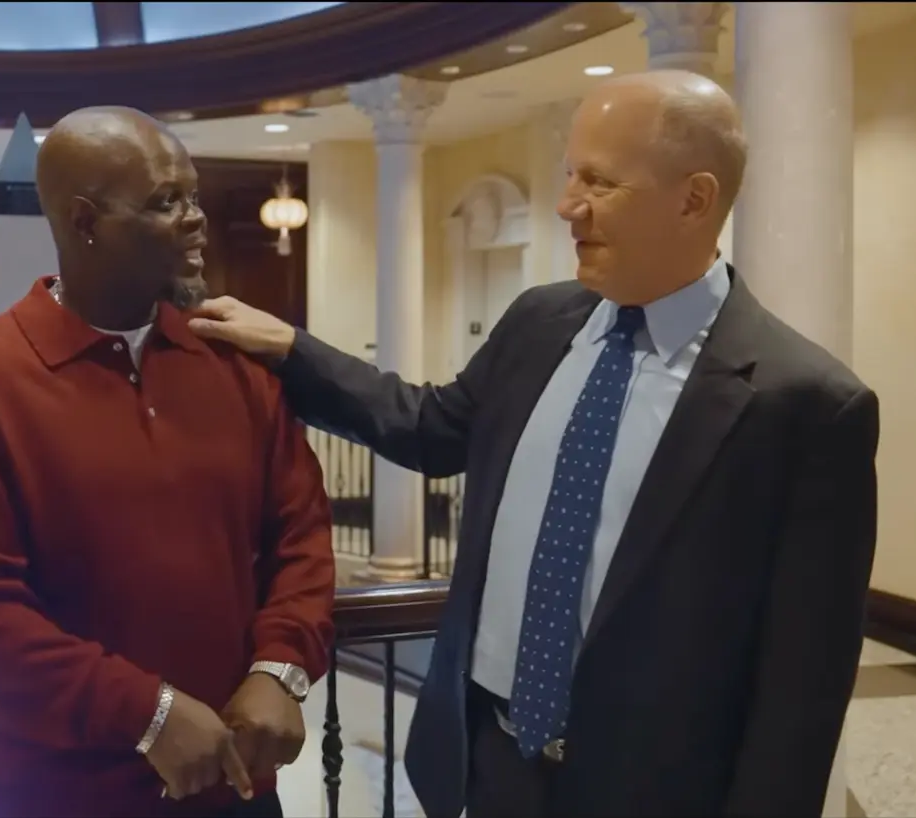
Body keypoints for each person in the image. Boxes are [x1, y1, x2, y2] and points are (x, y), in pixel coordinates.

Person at [188, 71, 879, 817]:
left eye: (600, 182)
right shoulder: (539, 323)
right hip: (490, 766)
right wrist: (292, 350)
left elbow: (800, 693)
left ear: (694, 199)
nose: (566, 206)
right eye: (569, 174)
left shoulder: (805, 405)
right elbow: (427, 426)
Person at [0, 106, 336, 818]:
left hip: (234, 785)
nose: (196, 218)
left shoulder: (233, 364)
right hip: (58, 796)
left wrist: (281, 668)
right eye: (167, 202)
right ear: (84, 223)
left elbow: (302, 534)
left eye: (193, 196)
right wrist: (149, 711)